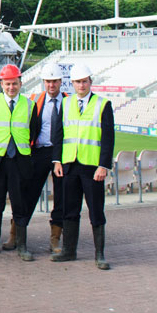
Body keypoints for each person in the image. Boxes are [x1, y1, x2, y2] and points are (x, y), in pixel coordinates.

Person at [52, 62, 114, 270]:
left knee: (96, 210)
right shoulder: (66, 103)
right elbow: (58, 134)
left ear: (90, 82)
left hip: (92, 167)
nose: (81, 85)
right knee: (69, 210)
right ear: (72, 83)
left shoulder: (103, 104)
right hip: (70, 165)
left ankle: (100, 254)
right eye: (77, 82)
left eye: (84, 81)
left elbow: (108, 138)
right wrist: (57, 160)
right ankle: (69, 251)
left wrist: (103, 165)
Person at [0, 64, 40, 260]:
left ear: (20, 83)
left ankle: (22, 246)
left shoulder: (30, 105)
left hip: (19, 161)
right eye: (7, 84)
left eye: (14, 83)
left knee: (20, 205)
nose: (11, 87)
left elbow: (33, 131)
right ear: (1, 85)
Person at [26, 63, 68, 254]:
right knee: (29, 193)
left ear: (60, 82)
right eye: (48, 81)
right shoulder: (35, 100)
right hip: (40, 151)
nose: (51, 85)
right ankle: (16, 233)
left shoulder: (69, 102)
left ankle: (55, 238)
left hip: (61, 154)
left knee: (61, 196)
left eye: (55, 81)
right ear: (44, 82)